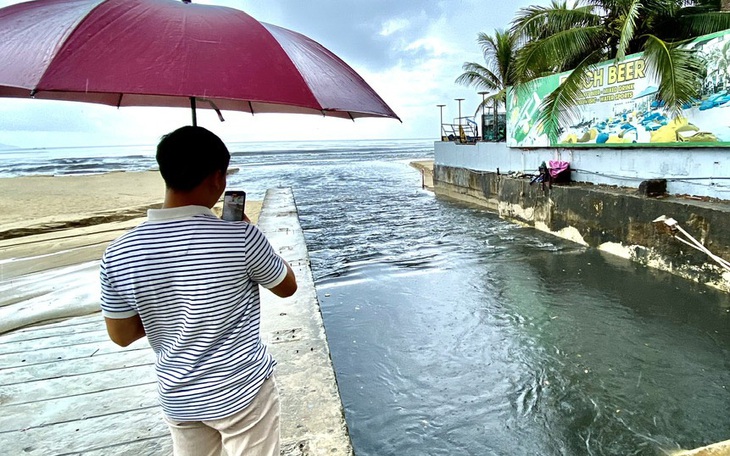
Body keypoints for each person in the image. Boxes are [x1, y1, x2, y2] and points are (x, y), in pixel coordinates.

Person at [99, 126, 297, 456]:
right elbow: (287, 286)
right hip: (241, 390)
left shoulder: (119, 251)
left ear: (166, 172)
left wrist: (171, 307)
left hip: (178, 396)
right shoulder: (239, 238)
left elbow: (122, 334)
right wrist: (249, 233)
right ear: (218, 177)